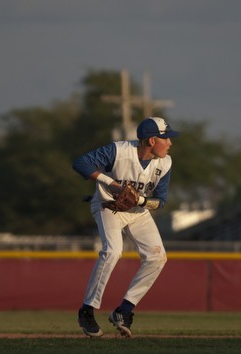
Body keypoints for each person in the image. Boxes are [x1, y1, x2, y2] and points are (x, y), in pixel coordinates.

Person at [73, 117, 179, 337]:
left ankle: (124, 310)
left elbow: (160, 201)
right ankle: (87, 310)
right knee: (112, 251)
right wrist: (112, 184)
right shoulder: (119, 150)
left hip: (138, 213)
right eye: (165, 138)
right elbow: (81, 163)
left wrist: (140, 201)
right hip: (108, 207)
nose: (169, 143)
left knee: (157, 257)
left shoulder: (165, 162)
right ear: (151, 140)